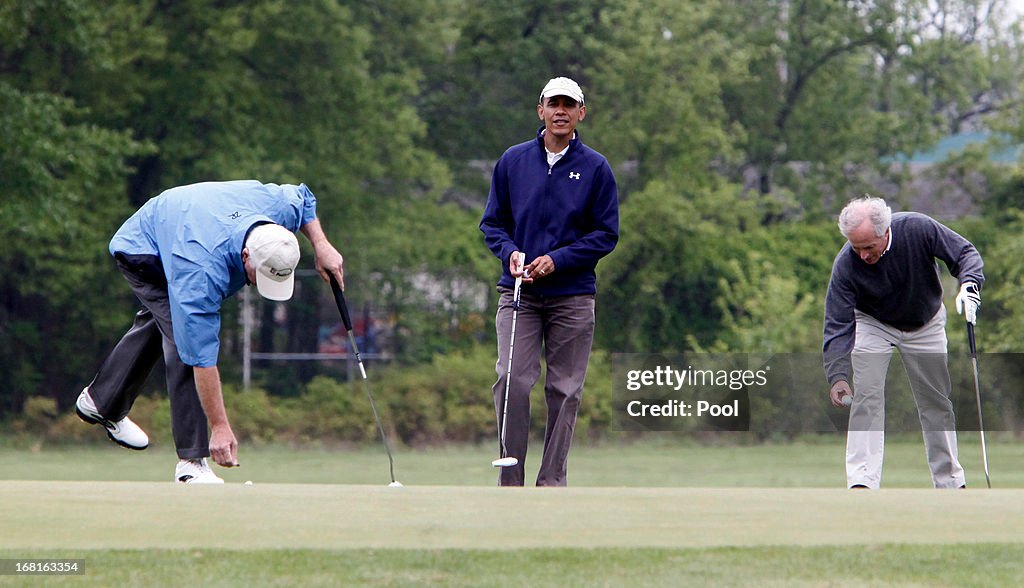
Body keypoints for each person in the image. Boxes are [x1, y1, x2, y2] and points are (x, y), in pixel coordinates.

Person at [76, 180, 344, 483]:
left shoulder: (278, 209)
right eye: (260, 276)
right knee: (182, 341)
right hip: (144, 247)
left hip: (186, 224)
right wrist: (219, 426)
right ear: (245, 256)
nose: (259, 286)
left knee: (170, 321)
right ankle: (191, 463)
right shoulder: (200, 271)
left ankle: (101, 402)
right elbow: (201, 357)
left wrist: (321, 245)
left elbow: (303, 198)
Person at [479, 76, 619, 486]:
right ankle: (511, 481)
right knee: (510, 380)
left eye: (568, 105)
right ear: (540, 110)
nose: (560, 111)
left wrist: (557, 261)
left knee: (565, 390)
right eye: (552, 103)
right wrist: (512, 254)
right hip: (518, 291)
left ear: (580, 113)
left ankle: (551, 481)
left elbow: (605, 234)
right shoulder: (513, 161)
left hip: (572, 296)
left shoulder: (595, 168)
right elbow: (492, 225)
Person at [822, 196, 983, 489]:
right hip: (873, 322)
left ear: (885, 232)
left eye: (869, 247)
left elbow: (964, 253)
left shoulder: (917, 228)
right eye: (856, 248)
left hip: (926, 322)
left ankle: (950, 482)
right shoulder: (846, 264)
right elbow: (837, 323)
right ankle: (862, 482)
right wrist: (838, 376)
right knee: (866, 397)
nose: (862, 255)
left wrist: (970, 284)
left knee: (935, 401)